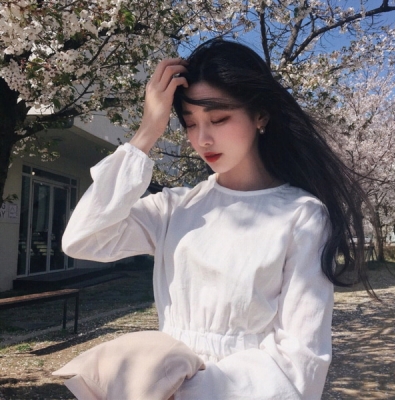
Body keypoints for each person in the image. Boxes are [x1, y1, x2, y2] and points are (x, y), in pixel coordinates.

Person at [62, 39, 372, 399]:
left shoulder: (301, 215)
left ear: (260, 115)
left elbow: (302, 361)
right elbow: (84, 239)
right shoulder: (175, 208)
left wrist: (186, 391)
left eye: (219, 119)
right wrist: (147, 133)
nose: (203, 139)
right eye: (190, 123)